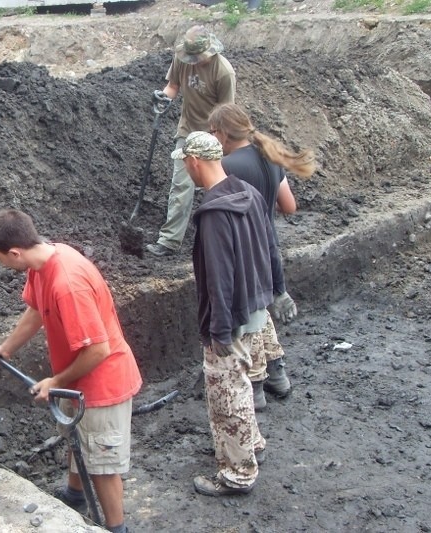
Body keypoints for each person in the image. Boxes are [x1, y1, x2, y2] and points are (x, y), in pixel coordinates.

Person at [0, 209, 142, 533]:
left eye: (0, 259)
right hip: (76, 380)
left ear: (15, 252)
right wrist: (8, 347)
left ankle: (116, 527)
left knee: (102, 464)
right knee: (76, 440)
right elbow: (36, 309)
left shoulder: (68, 283)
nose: (2, 265)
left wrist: (55, 381)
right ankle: (74, 495)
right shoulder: (42, 263)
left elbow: (98, 350)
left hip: (101, 385)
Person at [174, 131, 297, 496]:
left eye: (185, 163)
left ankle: (237, 473)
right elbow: (270, 245)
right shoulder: (249, 193)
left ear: (195, 161)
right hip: (255, 309)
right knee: (243, 383)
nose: (186, 170)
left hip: (231, 318)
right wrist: (275, 291)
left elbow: (219, 277)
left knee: (227, 396)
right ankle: (252, 444)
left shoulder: (213, 213)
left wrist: (220, 331)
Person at [208, 103, 316, 410]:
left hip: (243, 253)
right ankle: (277, 373)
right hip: (269, 249)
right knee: (260, 310)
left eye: (213, 132)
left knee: (247, 316)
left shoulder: (227, 166)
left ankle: (253, 385)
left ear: (223, 133)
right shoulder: (270, 157)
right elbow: (289, 206)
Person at [146, 26, 236, 257]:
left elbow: (226, 113)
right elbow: (173, 86)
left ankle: (224, 236)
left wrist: (217, 142)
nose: (194, 62)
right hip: (187, 129)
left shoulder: (224, 72)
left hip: (214, 133)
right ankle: (169, 240)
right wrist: (163, 98)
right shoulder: (181, 59)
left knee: (216, 186)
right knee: (181, 184)